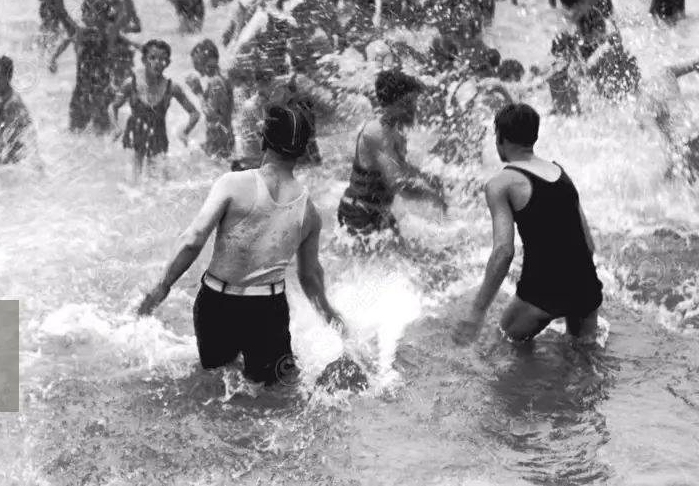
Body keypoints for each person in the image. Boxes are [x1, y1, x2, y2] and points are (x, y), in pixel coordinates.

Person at [137, 105, 345, 386]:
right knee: (277, 391)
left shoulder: (233, 184)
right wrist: (331, 317)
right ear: (302, 150)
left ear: (263, 140)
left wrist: (161, 286)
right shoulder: (308, 211)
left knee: (221, 384)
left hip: (218, 304)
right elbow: (309, 276)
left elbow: (193, 239)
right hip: (268, 310)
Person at [454, 104, 603, 345]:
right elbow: (588, 244)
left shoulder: (501, 183)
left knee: (501, 347)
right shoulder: (560, 173)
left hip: (541, 291)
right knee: (584, 363)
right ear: (533, 136)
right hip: (586, 287)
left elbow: (503, 252)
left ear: (500, 139)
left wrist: (477, 311)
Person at [338, 70, 447, 237]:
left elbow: (399, 165)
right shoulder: (377, 133)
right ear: (392, 103)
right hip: (358, 214)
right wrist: (433, 197)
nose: (413, 108)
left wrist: (427, 178)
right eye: (408, 102)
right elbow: (398, 183)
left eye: (414, 101)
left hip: (378, 212)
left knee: (409, 258)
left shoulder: (394, 130)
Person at [110, 39, 200, 182]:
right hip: (135, 137)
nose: (157, 62)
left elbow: (194, 113)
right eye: (153, 58)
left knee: (159, 183)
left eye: (162, 59)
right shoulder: (131, 83)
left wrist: (184, 132)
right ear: (144, 60)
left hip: (158, 139)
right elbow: (113, 106)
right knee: (133, 181)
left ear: (168, 63)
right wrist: (116, 127)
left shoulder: (171, 88)